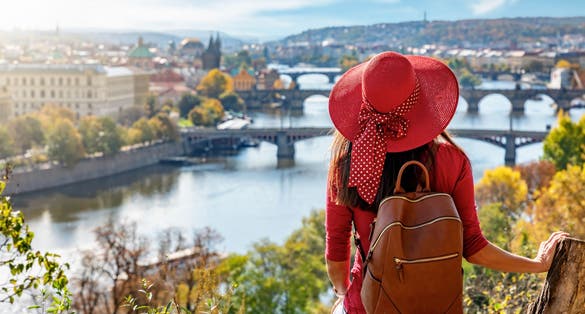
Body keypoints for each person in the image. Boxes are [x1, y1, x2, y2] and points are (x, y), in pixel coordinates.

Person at [325, 51, 567, 314]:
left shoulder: (347, 166)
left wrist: (344, 295)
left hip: (367, 305)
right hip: (435, 305)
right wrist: (537, 264)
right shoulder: (452, 161)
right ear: (421, 107)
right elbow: (474, 248)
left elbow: (337, 256)